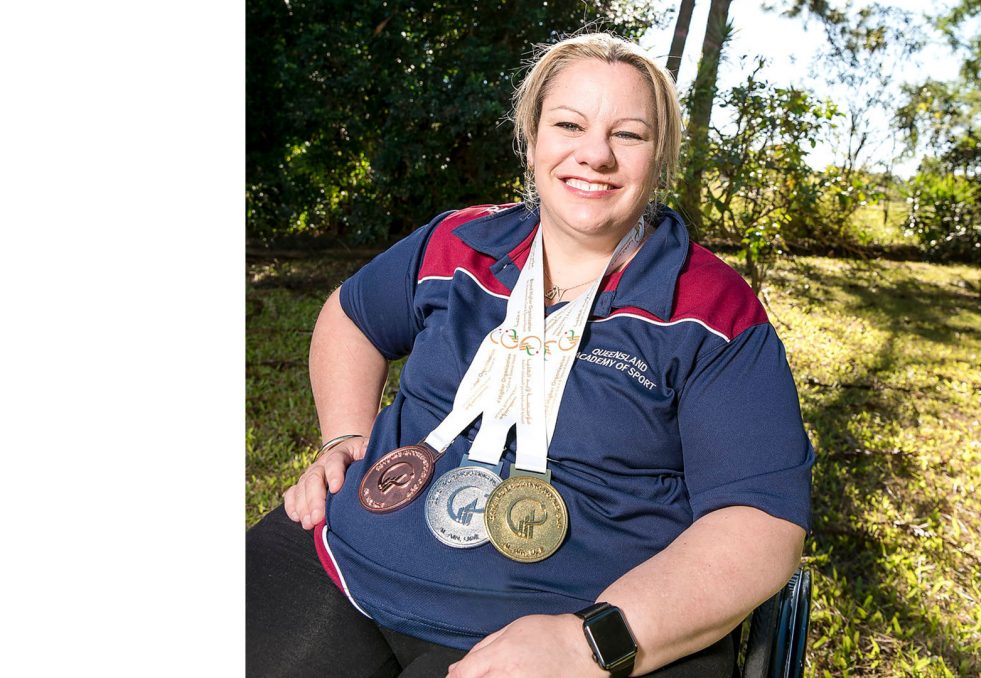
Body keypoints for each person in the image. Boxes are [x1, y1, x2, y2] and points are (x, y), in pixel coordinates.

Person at [246, 32, 815, 678]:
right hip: (346, 565)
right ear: (533, 138)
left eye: (628, 135)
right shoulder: (458, 244)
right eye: (569, 124)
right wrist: (345, 434)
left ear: (661, 158)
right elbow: (351, 317)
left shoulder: (710, 308)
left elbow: (761, 524)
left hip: (560, 630)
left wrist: (593, 642)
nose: (594, 154)